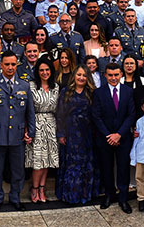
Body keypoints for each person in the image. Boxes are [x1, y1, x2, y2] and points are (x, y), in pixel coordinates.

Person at [0, 51, 35, 212]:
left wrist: (30, 132)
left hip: (18, 136)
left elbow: (29, 112)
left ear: (17, 65)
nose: (10, 67)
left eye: (13, 64)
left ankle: (15, 197)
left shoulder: (25, 86)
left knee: (18, 170)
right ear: (1, 65)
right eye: (7, 64)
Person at [93, 62, 136, 213]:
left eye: (116, 75)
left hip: (123, 137)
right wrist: (108, 135)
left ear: (121, 74)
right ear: (105, 75)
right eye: (110, 75)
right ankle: (109, 195)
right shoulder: (98, 93)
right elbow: (96, 117)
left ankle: (123, 198)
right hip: (105, 138)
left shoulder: (128, 91)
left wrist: (119, 134)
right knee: (106, 168)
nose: (113, 78)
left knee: (123, 168)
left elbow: (131, 115)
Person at [55, 65, 96, 205]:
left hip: (88, 134)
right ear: (74, 76)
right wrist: (61, 134)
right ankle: (70, 195)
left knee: (86, 164)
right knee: (72, 164)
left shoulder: (91, 92)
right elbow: (60, 113)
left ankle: (85, 195)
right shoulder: (66, 92)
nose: (81, 78)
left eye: (84, 75)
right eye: (79, 75)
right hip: (70, 133)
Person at [26, 58, 59, 204]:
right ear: (37, 72)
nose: (44, 73)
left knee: (47, 161)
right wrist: (28, 128)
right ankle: (34, 188)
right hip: (36, 124)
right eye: (41, 70)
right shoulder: (31, 86)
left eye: (47, 70)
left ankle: (42, 188)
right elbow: (27, 109)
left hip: (51, 125)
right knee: (38, 161)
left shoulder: (56, 87)